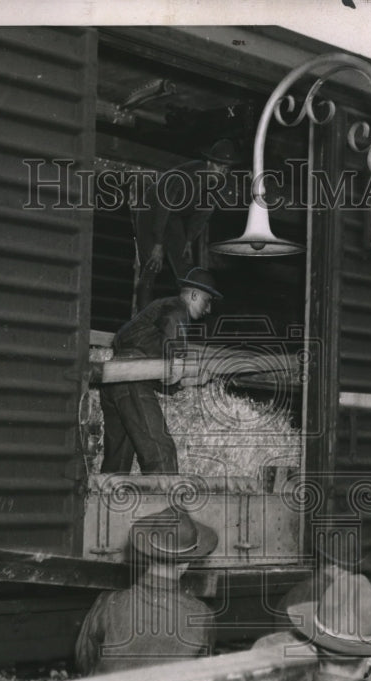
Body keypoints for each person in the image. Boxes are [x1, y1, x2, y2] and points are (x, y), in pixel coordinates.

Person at [73, 505, 218, 681]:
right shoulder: (201, 615)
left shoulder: (109, 603)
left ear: (146, 556)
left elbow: (84, 661)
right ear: (186, 563)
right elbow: (200, 680)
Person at [99, 266, 221, 475]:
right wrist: (180, 359)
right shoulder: (176, 308)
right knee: (161, 454)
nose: (208, 309)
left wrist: (187, 381)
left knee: (118, 461)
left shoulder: (156, 318)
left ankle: (108, 504)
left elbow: (159, 375)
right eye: (207, 301)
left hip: (115, 378)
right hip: (131, 377)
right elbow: (174, 324)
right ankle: (166, 506)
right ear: (193, 294)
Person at [134, 139, 239, 310]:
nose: (223, 172)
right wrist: (158, 244)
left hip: (173, 215)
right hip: (152, 208)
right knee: (152, 264)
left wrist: (189, 241)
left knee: (183, 266)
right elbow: (163, 206)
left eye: (227, 168)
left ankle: (184, 315)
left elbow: (202, 215)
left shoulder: (216, 184)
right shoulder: (188, 176)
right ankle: (141, 319)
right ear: (210, 163)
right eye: (220, 166)